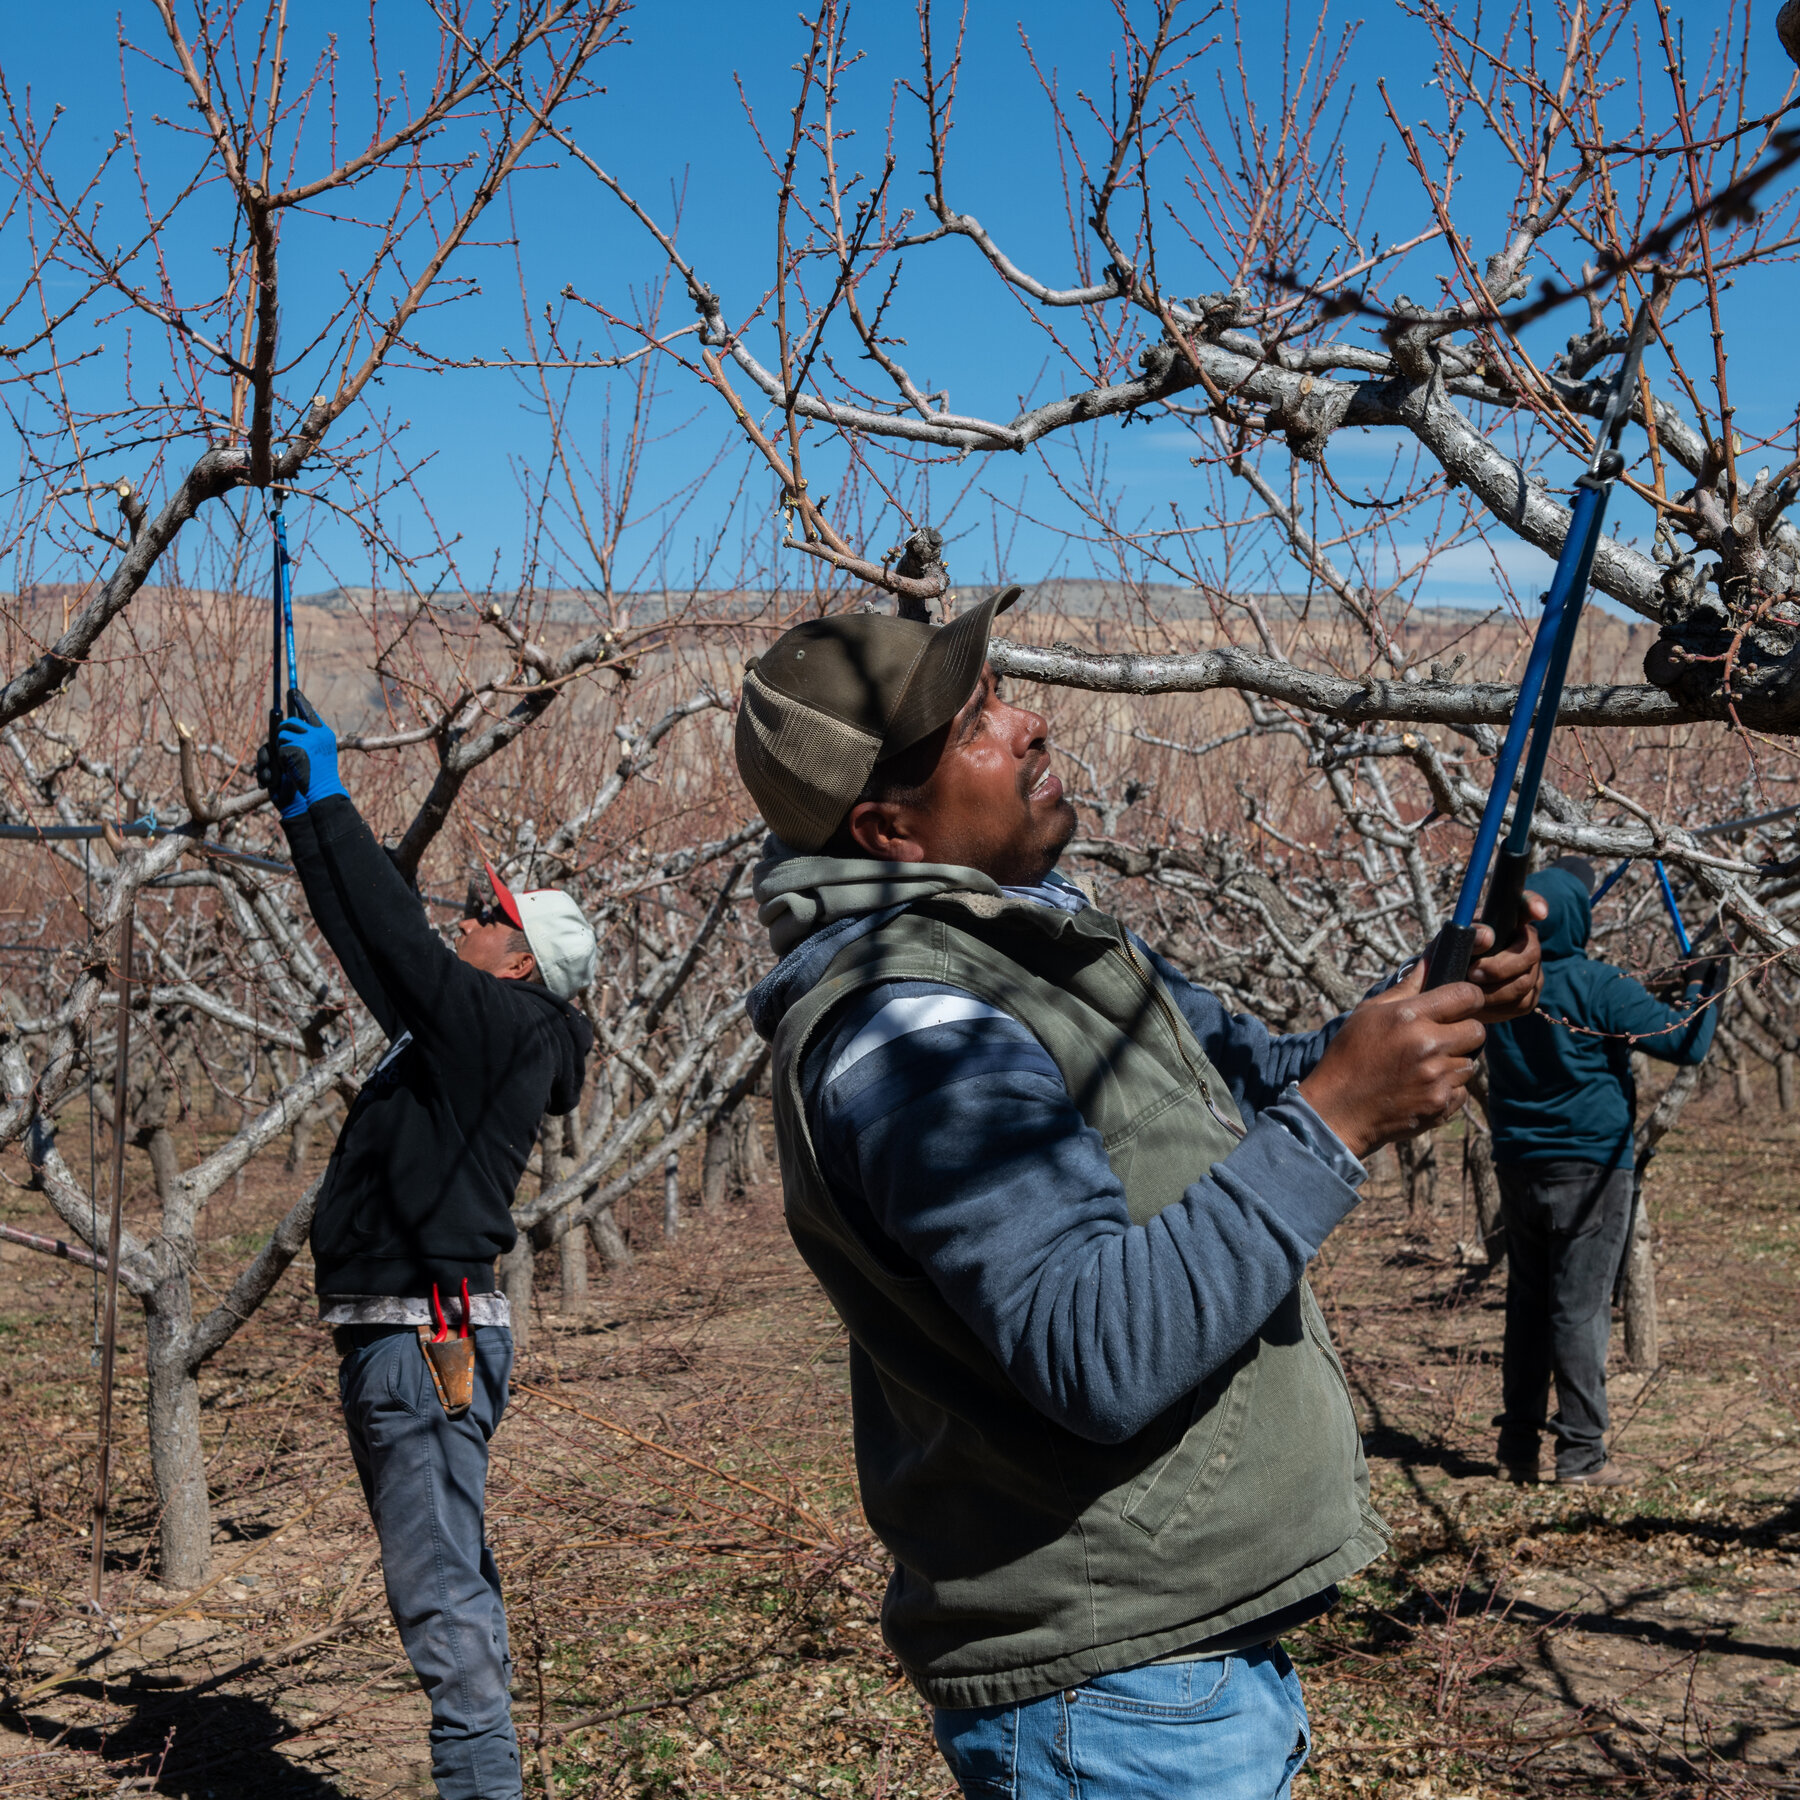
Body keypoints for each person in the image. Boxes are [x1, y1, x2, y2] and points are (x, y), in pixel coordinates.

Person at [733, 589, 1545, 1800]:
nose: (1031, 725)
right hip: (1114, 1701)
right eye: (977, 725)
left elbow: (1258, 1078)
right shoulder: (919, 1035)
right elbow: (1091, 1346)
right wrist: (1342, 1116)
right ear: (888, 827)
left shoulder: (1028, 953)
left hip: (1165, 1668)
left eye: (1000, 693)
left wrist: (1425, 1001)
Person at [259, 697, 597, 1800]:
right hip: (417, 1344)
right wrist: (306, 819)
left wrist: (334, 793)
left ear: (515, 963)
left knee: (441, 1606)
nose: (464, 917)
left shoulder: (495, 1032)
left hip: (422, 1347)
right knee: (452, 1584)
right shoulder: (484, 1032)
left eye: (484, 913)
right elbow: (370, 940)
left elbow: (398, 943)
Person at [1484, 856, 1721, 1489]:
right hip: (1591, 1167)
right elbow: (1684, 1043)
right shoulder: (1597, 984)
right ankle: (1582, 1456)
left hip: (1518, 1165)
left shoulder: (1499, 987)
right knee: (1580, 1311)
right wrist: (1708, 983)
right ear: (1579, 922)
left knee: (1529, 1308)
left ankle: (1517, 1449)